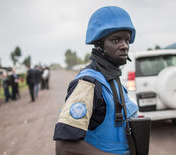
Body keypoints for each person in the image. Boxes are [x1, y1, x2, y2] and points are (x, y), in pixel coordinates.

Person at [53, 6, 138, 155]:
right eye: (116, 40)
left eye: (127, 39)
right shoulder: (89, 83)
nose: (124, 46)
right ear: (99, 45)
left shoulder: (113, 78)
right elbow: (64, 146)